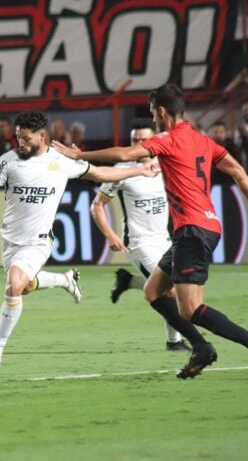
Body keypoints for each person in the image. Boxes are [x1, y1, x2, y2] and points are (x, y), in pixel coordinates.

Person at [53, 84, 248, 381]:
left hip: (192, 230)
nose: (153, 119)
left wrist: (80, 154)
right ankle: (200, 347)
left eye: (152, 113)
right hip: (201, 226)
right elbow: (238, 170)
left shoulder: (168, 139)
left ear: (161, 112)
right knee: (153, 291)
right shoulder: (202, 140)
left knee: (190, 308)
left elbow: (125, 154)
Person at [0, 110, 159, 371]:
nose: (19, 143)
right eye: (17, 137)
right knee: (23, 286)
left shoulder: (61, 162)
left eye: (25, 138)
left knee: (13, 286)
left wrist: (139, 170)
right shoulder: (7, 161)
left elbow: (101, 173)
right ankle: (64, 280)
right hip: (10, 240)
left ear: (42, 136)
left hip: (39, 241)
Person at [89, 118, 190, 353]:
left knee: (170, 285)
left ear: (154, 139)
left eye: (144, 139)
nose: (139, 143)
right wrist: (110, 235)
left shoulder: (166, 165)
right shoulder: (122, 172)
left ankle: (129, 281)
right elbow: (97, 206)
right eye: (135, 139)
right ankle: (174, 341)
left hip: (164, 240)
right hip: (138, 242)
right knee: (170, 288)